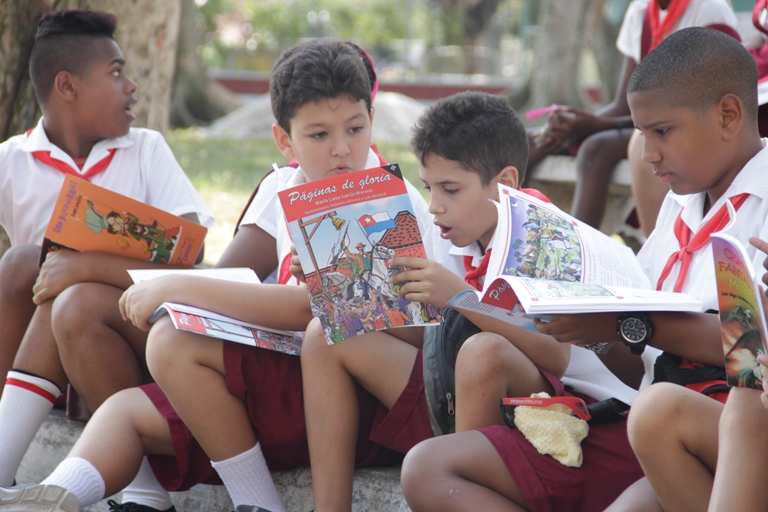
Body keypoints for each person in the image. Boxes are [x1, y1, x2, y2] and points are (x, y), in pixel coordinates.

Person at [0, 37, 430, 512]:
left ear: (373, 120)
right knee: (122, 409)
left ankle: (258, 504)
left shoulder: (379, 198)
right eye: (319, 135)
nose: (342, 150)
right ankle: (51, 499)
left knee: (170, 341)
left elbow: (317, 310)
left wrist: (179, 284)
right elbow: (236, 277)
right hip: (282, 375)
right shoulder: (284, 185)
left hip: (352, 400)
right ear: (284, 140)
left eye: (355, 128)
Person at [525, 27, 768, 511]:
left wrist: (626, 324)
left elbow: (750, 355)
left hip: (741, 418)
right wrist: (589, 325)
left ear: (728, 115)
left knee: (658, 413)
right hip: (677, 426)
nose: (649, 154)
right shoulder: (682, 206)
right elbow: (640, 359)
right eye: (641, 134)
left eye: (662, 132)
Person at [0, 9, 214, 511]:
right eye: (116, 73)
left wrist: (84, 266)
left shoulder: (145, 150)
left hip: (123, 344)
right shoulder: (12, 160)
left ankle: (137, 488)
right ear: (67, 87)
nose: (132, 86)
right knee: (22, 263)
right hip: (40, 368)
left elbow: (193, 254)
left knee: (70, 293)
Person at [392, 94, 641, 512]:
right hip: (501, 386)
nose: (434, 206)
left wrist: (460, 297)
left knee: (484, 351)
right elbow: (437, 328)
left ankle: (467, 475)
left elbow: (556, 352)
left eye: (450, 189)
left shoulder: (545, 239)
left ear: (505, 184)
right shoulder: (458, 230)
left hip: (595, 402)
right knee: (331, 337)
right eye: (428, 187)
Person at [529, 0, 738, 231]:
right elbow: (624, 103)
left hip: (684, 128)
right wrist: (577, 123)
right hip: (645, 123)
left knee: (595, 148)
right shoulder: (640, 11)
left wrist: (594, 124)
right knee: (535, 140)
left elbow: (701, 106)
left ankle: (585, 253)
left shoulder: (708, 9)